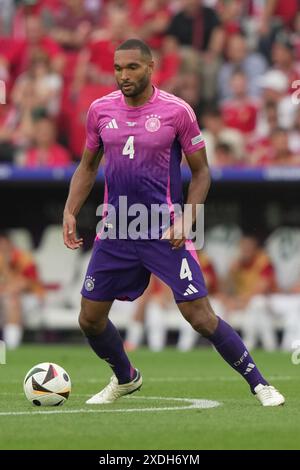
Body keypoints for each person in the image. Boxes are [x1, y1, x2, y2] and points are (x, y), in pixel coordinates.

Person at [63, 38, 285, 407]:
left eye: (132, 67)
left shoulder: (177, 111)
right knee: (89, 318)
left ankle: (261, 384)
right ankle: (126, 377)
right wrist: (71, 210)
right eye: (118, 68)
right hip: (117, 229)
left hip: (166, 230)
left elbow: (202, 174)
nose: (123, 75)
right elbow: (86, 167)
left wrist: (187, 218)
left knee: (199, 316)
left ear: (151, 67)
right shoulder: (100, 110)